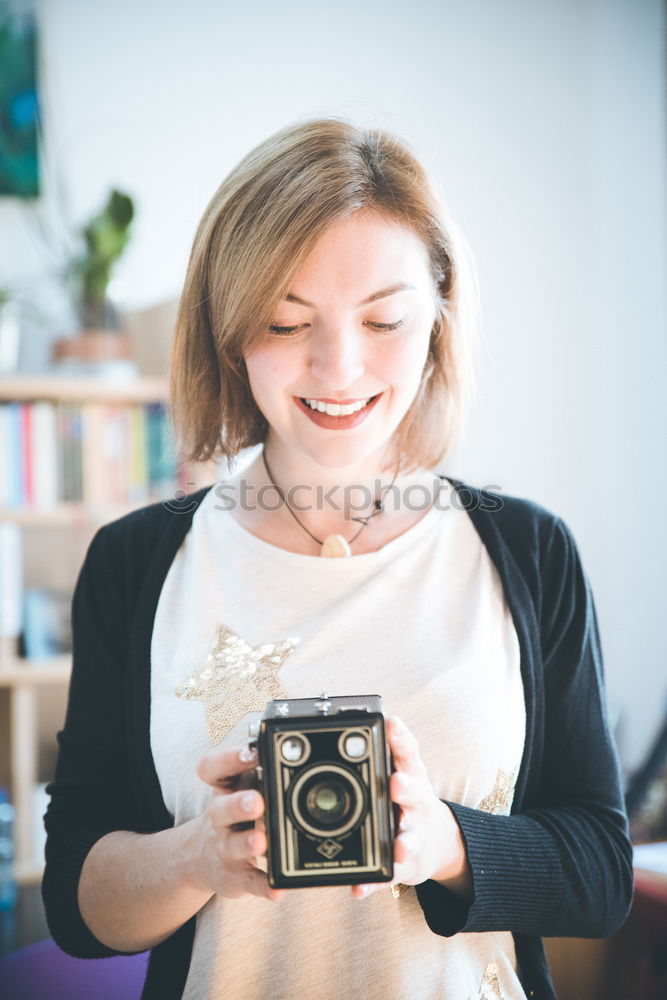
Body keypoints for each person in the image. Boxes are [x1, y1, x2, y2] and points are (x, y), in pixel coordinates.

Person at [42, 118, 633, 1000]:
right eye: (286, 322)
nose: (338, 367)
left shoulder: (527, 553)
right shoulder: (137, 564)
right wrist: (197, 854)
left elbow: (598, 874)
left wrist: (440, 841)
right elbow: (74, 909)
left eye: (383, 318)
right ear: (230, 330)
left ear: (437, 314)